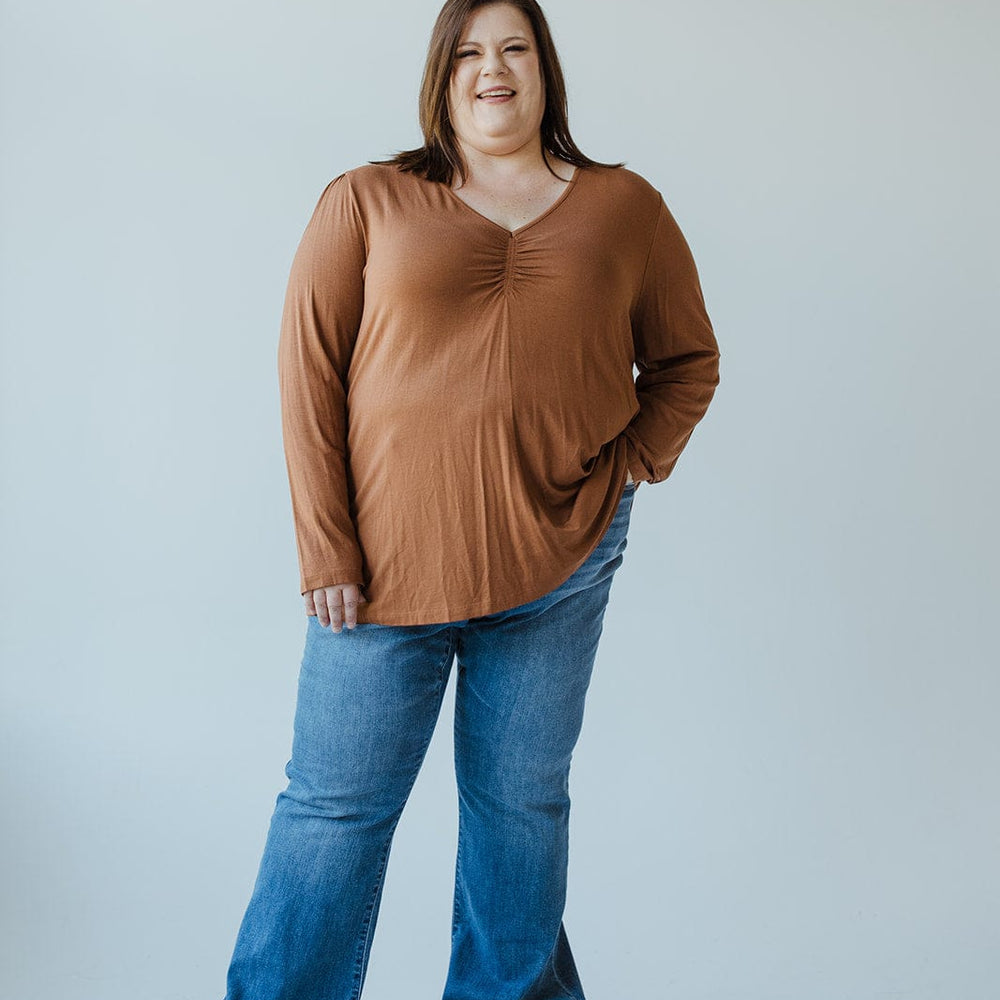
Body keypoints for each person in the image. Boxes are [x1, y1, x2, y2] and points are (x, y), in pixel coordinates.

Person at [222, 0, 720, 997]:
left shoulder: (625, 207)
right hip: (380, 568)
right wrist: (326, 549)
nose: (493, 70)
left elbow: (687, 362)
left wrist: (629, 466)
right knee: (333, 809)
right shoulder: (365, 199)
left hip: (562, 561)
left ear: (545, 69)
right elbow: (307, 375)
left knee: (520, 808)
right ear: (441, 78)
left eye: (514, 50)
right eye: (469, 54)